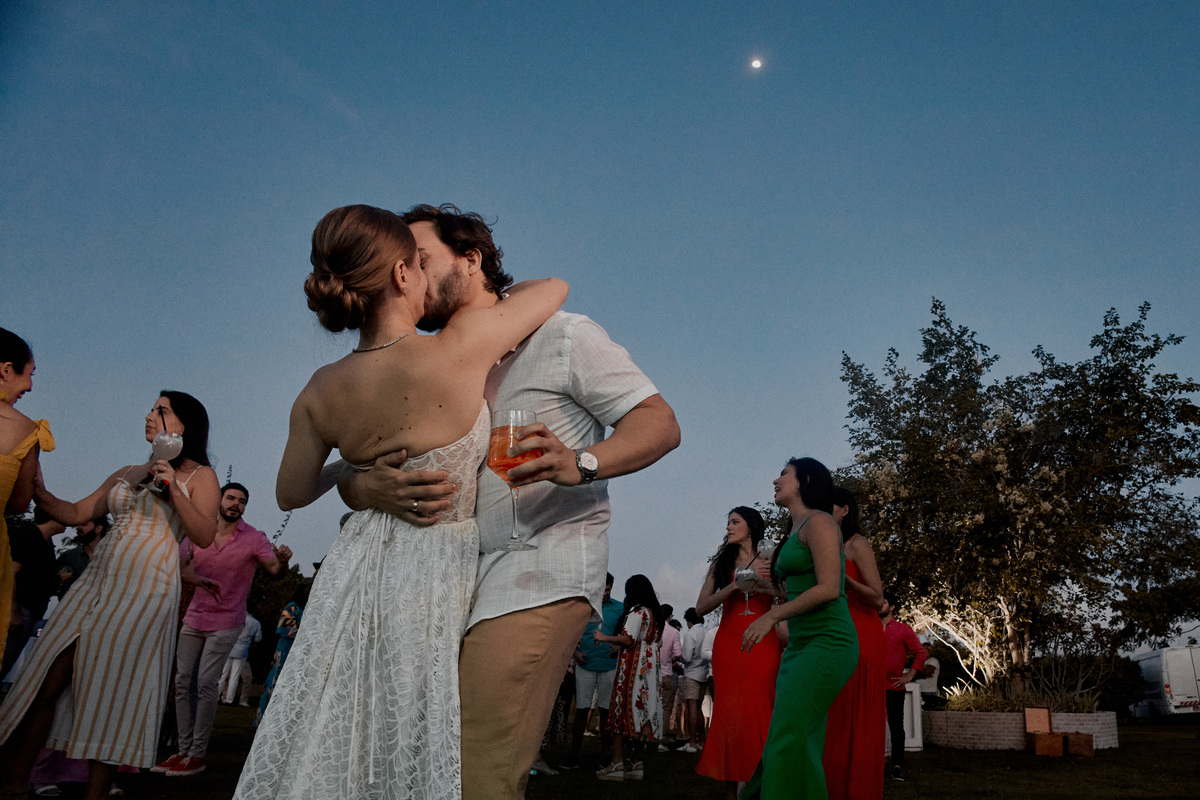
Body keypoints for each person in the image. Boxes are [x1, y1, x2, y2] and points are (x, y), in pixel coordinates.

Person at [340, 203, 680, 800]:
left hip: (543, 571)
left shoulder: (565, 334)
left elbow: (659, 423)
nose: (408, 277)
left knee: (479, 762)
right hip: (455, 582)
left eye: (419, 260)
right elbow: (357, 461)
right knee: (428, 759)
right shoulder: (444, 365)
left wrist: (582, 463)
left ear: (470, 260)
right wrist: (363, 486)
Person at [232, 204, 568, 800]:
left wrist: (354, 477)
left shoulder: (320, 390)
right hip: (433, 568)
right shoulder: (460, 347)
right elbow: (554, 287)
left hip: (356, 570)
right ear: (402, 275)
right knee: (411, 724)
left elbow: (289, 491)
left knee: (340, 719)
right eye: (419, 264)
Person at [0, 391, 219, 800]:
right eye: (152, 409)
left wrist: (174, 489)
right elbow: (78, 512)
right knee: (48, 676)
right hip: (99, 579)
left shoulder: (199, 476)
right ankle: (14, 783)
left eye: (161, 410)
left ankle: (95, 793)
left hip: (147, 587)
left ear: (184, 425)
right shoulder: (129, 470)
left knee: (114, 687)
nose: (150, 415)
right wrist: (39, 491)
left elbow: (204, 535)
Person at [154, 482, 292, 777]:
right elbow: (181, 568)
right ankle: (182, 749)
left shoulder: (254, 538)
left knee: (205, 683)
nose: (236, 504)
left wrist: (281, 561)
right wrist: (199, 581)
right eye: (231, 498)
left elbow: (273, 568)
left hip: (228, 619)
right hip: (195, 616)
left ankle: (197, 754)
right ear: (219, 500)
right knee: (181, 681)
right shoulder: (199, 531)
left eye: (242, 501)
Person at [740, 458, 858, 800]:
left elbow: (827, 589)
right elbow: (800, 588)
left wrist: (772, 616)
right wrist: (767, 591)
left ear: (804, 480)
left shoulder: (820, 522)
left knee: (786, 739)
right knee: (795, 738)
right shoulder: (795, 527)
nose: (775, 480)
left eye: (783, 474)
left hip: (828, 642)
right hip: (801, 646)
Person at [694, 507, 782, 800]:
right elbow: (701, 607)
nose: (729, 527)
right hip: (729, 643)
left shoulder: (771, 559)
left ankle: (762, 784)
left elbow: (787, 596)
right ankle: (730, 791)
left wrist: (762, 585)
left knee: (761, 711)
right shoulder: (722, 563)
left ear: (751, 526)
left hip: (763, 641)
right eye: (728, 523)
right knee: (729, 716)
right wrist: (735, 584)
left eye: (735, 522)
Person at [822, 486, 887, 800]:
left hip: (862, 635)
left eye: (828, 506)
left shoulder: (857, 544)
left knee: (857, 719)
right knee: (833, 719)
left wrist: (842, 577)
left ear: (845, 509)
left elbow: (877, 598)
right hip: (833, 633)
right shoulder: (824, 545)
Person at [0, 328, 51, 668]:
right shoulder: (24, 430)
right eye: (29, 374)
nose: (30, 386)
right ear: (5, 370)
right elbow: (20, 505)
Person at [593, 574, 664, 782]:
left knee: (620, 711)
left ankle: (617, 763)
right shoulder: (656, 614)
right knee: (643, 713)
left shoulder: (637, 611)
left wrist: (604, 637)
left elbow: (628, 638)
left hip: (633, 668)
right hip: (650, 671)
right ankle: (637, 761)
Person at [566, 572, 622, 768]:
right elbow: (569, 632)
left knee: (606, 711)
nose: (605, 594)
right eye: (603, 590)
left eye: (608, 590)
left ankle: (606, 756)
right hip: (585, 664)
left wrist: (619, 647)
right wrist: (575, 653)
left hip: (608, 666)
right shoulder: (584, 607)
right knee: (582, 709)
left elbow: (626, 635)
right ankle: (574, 754)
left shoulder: (619, 608)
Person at [880, 590, 926, 782]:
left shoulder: (903, 629)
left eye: (882, 602)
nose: (877, 605)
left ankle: (897, 766)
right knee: (871, 726)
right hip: (871, 686)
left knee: (896, 727)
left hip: (894, 686)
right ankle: (871, 764)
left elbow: (920, 653)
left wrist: (909, 676)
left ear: (892, 607)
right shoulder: (869, 627)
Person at [678, 607, 707, 754]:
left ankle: (692, 742)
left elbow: (687, 657)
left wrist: (679, 657)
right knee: (699, 708)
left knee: (691, 707)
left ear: (689, 621)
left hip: (691, 673)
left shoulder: (690, 634)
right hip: (704, 672)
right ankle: (702, 741)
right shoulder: (706, 631)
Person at [219, 612, 263, 706]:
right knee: (234, 677)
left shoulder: (237, 619)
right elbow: (258, 638)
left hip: (230, 647)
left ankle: (216, 696)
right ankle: (229, 700)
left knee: (223, 674)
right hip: (242, 650)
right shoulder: (255, 623)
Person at [657, 604, 682, 746]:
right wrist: (668, 660)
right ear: (670, 616)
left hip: (651, 673)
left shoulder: (651, 629)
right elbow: (678, 653)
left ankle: (647, 736)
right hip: (666, 673)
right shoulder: (673, 632)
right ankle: (662, 738)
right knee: (666, 708)